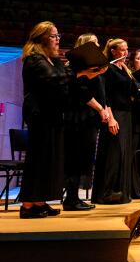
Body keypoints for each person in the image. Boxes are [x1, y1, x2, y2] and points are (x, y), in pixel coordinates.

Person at [19, 22, 70, 219]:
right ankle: (27, 205)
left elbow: (63, 78)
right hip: (39, 115)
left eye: (58, 36)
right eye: (54, 36)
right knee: (38, 160)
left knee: (49, 159)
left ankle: (39, 201)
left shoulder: (51, 59)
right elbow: (55, 80)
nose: (58, 40)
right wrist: (78, 72)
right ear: (42, 38)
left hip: (53, 115)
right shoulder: (33, 59)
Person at [62, 33, 113, 211]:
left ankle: (74, 197)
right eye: (94, 44)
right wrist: (100, 108)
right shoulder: (76, 67)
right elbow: (81, 92)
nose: (98, 46)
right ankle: (71, 199)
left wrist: (104, 109)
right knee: (75, 158)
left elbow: (101, 92)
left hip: (89, 119)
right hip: (79, 117)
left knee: (83, 158)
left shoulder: (93, 67)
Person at [94, 38, 140, 204]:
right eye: (122, 50)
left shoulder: (125, 69)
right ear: (113, 51)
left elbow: (136, 93)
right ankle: (106, 193)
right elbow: (105, 95)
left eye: (127, 49)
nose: (126, 53)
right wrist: (111, 118)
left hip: (127, 115)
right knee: (113, 155)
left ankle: (120, 193)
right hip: (115, 114)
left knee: (124, 155)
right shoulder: (108, 68)